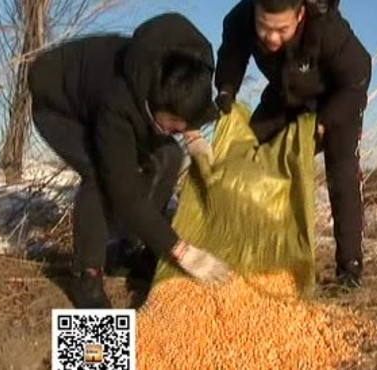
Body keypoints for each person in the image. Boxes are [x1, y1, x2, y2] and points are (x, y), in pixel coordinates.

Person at [28, 12, 230, 309]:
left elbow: (181, 109)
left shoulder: (186, 65)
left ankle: (130, 250)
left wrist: (192, 136)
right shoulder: (118, 105)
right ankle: (87, 276)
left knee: (169, 155)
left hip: (108, 103)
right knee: (99, 175)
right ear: (152, 105)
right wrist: (181, 251)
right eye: (173, 124)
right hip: (58, 108)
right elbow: (124, 193)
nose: (177, 130)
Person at [214, 0, 371, 288]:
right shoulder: (240, 18)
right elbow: (231, 55)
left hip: (336, 99)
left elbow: (357, 77)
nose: (271, 38)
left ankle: (350, 270)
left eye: (281, 30)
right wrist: (226, 89)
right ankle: (243, 248)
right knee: (246, 154)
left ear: (300, 15)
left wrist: (322, 124)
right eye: (264, 27)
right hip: (285, 95)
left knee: (342, 175)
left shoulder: (328, 29)